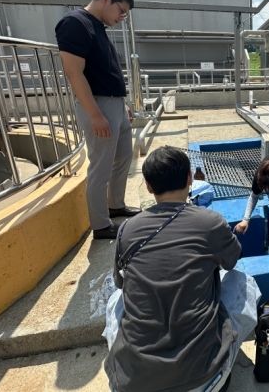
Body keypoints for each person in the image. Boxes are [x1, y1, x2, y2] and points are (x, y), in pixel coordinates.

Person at [105, 146, 247, 392]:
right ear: (190, 178)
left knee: (116, 298)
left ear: (149, 186)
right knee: (243, 281)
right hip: (205, 379)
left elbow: (120, 283)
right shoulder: (210, 222)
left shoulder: (127, 229)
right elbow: (232, 260)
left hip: (133, 383)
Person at [56, 0, 140, 239]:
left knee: (124, 155)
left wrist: (122, 106)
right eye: (121, 11)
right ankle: (101, 225)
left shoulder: (98, 27)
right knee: (101, 166)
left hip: (114, 104)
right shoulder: (75, 23)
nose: (122, 17)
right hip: (98, 104)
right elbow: (74, 73)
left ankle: (115, 205)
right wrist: (95, 115)